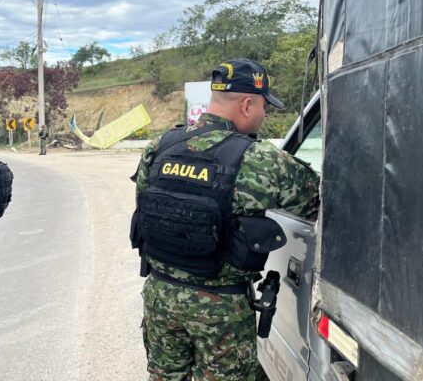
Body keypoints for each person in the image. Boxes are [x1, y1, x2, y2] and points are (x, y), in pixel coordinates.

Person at [131, 58, 320, 380]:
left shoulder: (159, 147)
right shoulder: (263, 160)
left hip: (160, 297)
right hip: (222, 311)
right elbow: (317, 205)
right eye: (264, 107)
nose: (264, 115)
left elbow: (147, 208)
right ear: (248, 104)